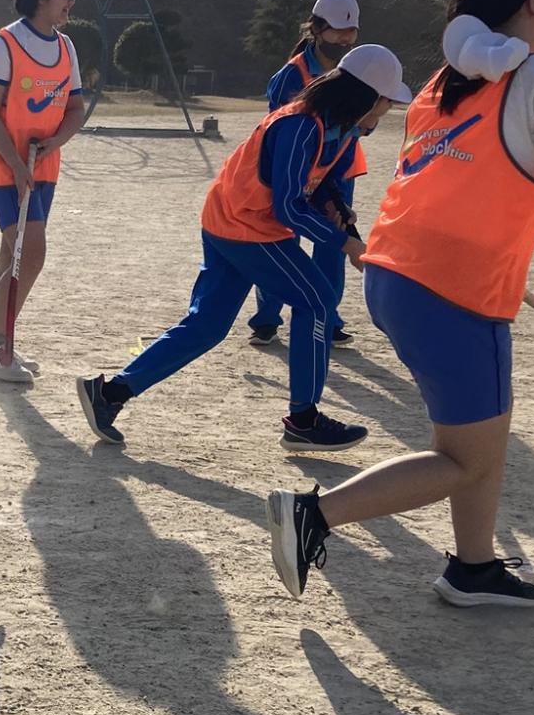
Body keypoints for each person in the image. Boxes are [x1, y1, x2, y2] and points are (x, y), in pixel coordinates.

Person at [267, 0, 534, 609]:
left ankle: (473, 567)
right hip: (455, 291)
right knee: (465, 455)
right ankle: (313, 516)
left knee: (483, 432)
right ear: (533, 2)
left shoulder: (442, 84)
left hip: (397, 274)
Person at [76, 44, 412, 452]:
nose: (384, 114)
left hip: (230, 219)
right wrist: (346, 244)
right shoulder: (301, 125)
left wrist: (334, 206)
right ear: (365, 97)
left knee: (208, 325)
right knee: (318, 301)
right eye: (386, 105)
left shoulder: (337, 126)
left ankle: (109, 395)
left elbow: (314, 179)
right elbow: (287, 207)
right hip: (246, 227)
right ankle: (304, 420)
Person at [0, 0, 92, 384]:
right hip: (5, 167)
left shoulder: (65, 47)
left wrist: (57, 142)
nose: (72, 3)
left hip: (43, 167)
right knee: (32, 252)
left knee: (12, 255)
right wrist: (16, 165)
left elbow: (76, 107)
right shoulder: (3, 44)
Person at [248, 0, 363, 349]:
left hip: (337, 170)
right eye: (337, 31)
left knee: (334, 244)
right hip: (296, 169)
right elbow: (280, 130)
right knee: (283, 240)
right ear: (316, 29)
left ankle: (327, 316)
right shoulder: (290, 77)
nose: (345, 39)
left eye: (351, 31)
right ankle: (267, 318)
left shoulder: (356, 70)